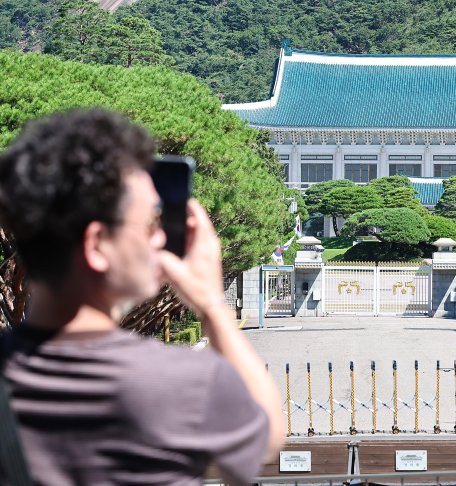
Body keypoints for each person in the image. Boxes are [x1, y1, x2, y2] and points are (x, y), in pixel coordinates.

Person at [0, 109, 285, 484]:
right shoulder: (178, 382)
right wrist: (212, 305)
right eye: (150, 222)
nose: (159, 237)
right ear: (98, 245)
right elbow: (266, 436)